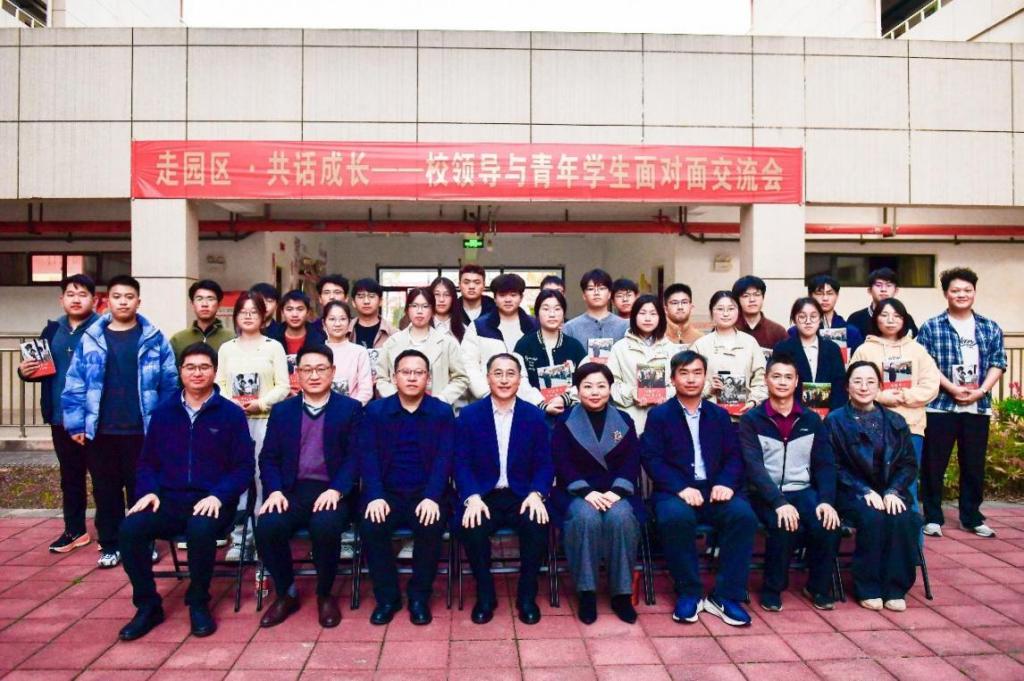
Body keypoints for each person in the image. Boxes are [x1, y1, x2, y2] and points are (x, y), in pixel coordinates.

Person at [117, 343, 254, 641]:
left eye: (204, 367)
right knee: (130, 529)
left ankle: (198, 601)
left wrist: (219, 495)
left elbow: (243, 467)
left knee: (200, 529)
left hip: (213, 500)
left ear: (215, 371)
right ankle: (148, 605)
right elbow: (148, 462)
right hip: (169, 499)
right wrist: (149, 491)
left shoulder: (231, 414)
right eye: (190, 367)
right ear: (180, 371)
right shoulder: (163, 413)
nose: (197, 373)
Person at [62, 274, 179, 568]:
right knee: (105, 491)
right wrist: (76, 423)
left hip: (143, 430)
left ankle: (143, 543)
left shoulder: (154, 338)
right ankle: (110, 544)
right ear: (107, 301)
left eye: (129, 297)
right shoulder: (92, 338)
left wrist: (164, 424)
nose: (123, 302)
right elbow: (75, 383)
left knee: (142, 489)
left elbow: (169, 383)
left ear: (139, 301)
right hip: (101, 430)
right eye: (117, 296)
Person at [640, 350, 757, 627]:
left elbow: (734, 455)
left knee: (743, 516)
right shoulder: (659, 416)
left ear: (705, 377)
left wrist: (725, 483)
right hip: (675, 491)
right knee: (674, 518)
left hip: (715, 488)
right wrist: (680, 487)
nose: (691, 379)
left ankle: (725, 596)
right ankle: (689, 592)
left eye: (697, 373)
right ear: (672, 379)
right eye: (684, 373)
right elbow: (651, 458)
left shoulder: (719, 415)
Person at [255, 345, 363, 629]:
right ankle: (286, 592)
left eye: (321, 369)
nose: (314, 375)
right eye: (307, 370)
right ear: (297, 374)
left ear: (333, 372)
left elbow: (355, 457)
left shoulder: (350, 409)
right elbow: (269, 457)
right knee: (268, 525)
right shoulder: (283, 411)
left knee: (325, 526)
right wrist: (274, 491)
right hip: (290, 491)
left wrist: (337, 490)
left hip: (332, 490)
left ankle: (325, 594)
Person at [456, 354, 553, 625]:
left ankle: (526, 595)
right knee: (472, 525)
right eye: (497, 373)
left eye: (511, 374)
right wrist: (471, 497)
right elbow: (461, 462)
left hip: (522, 493)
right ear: (488, 378)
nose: (504, 380)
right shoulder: (470, 415)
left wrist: (537, 493)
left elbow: (545, 463)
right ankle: (485, 594)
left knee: (537, 522)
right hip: (483, 494)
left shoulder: (534, 416)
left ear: (520, 379)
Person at [359, 350, 454, 626]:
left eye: (418, 373)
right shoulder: (375, 412)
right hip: (386, 493)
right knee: (372, 525)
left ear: (428, 378)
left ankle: (419, 597)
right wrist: (375, 495)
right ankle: (387, 598)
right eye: (405, 372)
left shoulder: (441, 412)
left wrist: (432, 496)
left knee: (431, 525)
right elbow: (368, 456)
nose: (412, 378)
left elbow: (445, 458)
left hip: (426, 493)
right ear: (394, 377)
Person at [739, 354, 840, 612]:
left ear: (796, 382)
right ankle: (773, 588)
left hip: (802, 489)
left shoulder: (811, 419)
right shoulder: (752, 420)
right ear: (766, 380)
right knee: (783, 523)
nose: (782, 382)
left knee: (827, 523)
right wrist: (779, 502)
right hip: (765, 493)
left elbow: (825, 464)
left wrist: (826, 501)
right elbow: (754, 467)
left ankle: (818, 587)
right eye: (776, 376)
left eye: (788, 377)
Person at [917, 267, 1006, 538]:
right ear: (946, 293)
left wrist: (982, 390)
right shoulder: (932, 326)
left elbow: (998, 362)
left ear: (975, 292)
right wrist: (952, 387)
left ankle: (972, 517)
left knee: (974, 464)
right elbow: (927, 364)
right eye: (955, 290)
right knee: (934, 464)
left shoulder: (990, 327)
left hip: (977, 407)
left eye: (967, 290)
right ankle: (933, 517)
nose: (962, 294)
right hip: (941, 406)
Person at [825, 361, 920, 612]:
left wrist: (893, 491)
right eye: (857, 381)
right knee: (872, 517)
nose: (864, 387)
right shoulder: (835, 421)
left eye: (870, 382)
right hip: (851, 491)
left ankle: (895, 588)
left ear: (879, 386)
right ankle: (868, 587)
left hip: (890, 491)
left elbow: (908, 464)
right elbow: (832, 465)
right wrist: (863, 490)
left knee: (903, 517)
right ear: (847, 386)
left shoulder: (895, 421)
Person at [552, 362, 641, 625]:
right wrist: (586, 491)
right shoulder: (565, 421)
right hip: (577, 491)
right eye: (587, 386)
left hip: (615, 491)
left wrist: (616, 491)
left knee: (621, 518)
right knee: (585, 518)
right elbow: (562, 462)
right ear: (577, 390)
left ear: (610, 388)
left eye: (601, 386)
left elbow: (632, 460)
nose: (594, 392)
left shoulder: (624, 420)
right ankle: (587, 592)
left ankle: (621, 594)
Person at [18, 274, 99, 553]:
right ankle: (75, 530)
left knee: (104, 477)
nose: (76, 299)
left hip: (95, 419)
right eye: (70, 294)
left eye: (83, 294)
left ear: (94, 300)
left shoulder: (103, 329)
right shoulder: (51, 330)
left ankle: (109, 532)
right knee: (70, 477)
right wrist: (24, 371)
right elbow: (41, 370)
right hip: (60, 418)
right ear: (61, 299)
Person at [215, 291, 291, 561]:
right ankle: (239, 539)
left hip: (266, 422)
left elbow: (284, 386)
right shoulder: (227, 349)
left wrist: (261, 403)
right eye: (243, 312)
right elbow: (219, 384)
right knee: (238, 479)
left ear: (264, 316)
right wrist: (231, 405)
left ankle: (263, 538)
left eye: (254, 312)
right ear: (236, 316)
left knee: (263, 478)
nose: (248, 317)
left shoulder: (274, 347)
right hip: (234, 424)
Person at [850, 298, 940, 511]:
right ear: (876, 319)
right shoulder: (864, 350)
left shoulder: (917, 350)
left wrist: (904, 396)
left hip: (911, 426)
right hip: (872, 426)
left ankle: (911, 532)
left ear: (904, 319)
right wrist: (882, 397)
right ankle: (879, 531)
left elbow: (931, 384)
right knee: (875, 483)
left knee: (907, 484)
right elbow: (853, 384)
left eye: (896, 316)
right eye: (884, 315)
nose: (890, 320)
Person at [375, 287, 470, 405]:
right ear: (407, 310)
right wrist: (395, 400)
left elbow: (461, 378)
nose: (419, 311)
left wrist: (441, 399)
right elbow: (382, 378)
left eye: (425, 306)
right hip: (398, 408)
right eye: (414, 306)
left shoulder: (447, 343)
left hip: (435, 409)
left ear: (433, 311)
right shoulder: (392, 342)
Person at [461, 273, 540, 400]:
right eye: (502, 295)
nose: (508, 300)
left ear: (521, 297)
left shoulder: (535, 326)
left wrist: (535, 398)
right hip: (488, 398)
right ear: (495, 298)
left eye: (513, 295)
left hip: (529, 400)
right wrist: (485, 393)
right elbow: (468, 364)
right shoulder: (478, 326)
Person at [607, 294, 679, 433]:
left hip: (665, 417)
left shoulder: (671, 349)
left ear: (660, 317)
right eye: (642, 313)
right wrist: (632, 393)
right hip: (630, 417)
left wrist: (664, 394)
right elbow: (611, 383)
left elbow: (679, 383)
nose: (647, 318)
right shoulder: (620, 348)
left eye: (653, 313)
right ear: (634, 316)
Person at [692, 291, 767, 417]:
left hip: (744, 417)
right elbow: (690, 380)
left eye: (731, 309)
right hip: (709, 416)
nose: (726, 314)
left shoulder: (750, 342)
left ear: (738, 311)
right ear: (711, 312)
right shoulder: (701, 345)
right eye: (720, 309)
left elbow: (762, 379)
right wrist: (708, 388)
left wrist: (754, 401)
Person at [514, 289, 587, 418]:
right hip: (534, 415)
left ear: (563, 313)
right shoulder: (524, 345)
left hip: (571, 416)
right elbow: (520, 382)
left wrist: (565, 399)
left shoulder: (575, 346)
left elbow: (587, 379)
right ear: (537, 313)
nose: (552, 314)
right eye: (546, 309)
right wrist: (542, 404)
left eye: (557, 309)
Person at [773, 297, 848, 413]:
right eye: (802, 317)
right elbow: (778, 385)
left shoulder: (832, 349)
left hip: (829, 416)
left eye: (813, 316)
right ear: (794, 319)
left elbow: (840, 388)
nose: (808, 321)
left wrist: (832, 416)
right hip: (792, 414)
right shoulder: (782, 349)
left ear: (820, 319)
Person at [267, 290, 327, 395]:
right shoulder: (271, 338)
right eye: (289, 309)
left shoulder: (320, 337)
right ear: (282, 312)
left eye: (300, 309)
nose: (294, 314)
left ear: (308, 312)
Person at [563, 269, 629, 360]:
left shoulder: (625, 326)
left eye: (602, 288)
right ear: (584, 295)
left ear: (609, 294)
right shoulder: (570, 328)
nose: (596, 293)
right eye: (591, 289)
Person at [790, 274, 864, 355]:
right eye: (819, 293)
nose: (825, 298)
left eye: (830, 293)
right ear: (810, 295)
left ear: (837, 295)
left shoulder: (851, 332)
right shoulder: (796, 331)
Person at [321, 301, 373, 405]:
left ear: (349, 322)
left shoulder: (359, 352)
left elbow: (366, 391)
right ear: (324, 323)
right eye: (332, 319)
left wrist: (350, 409)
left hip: (353, 410)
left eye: (343, 319)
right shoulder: (316, 352)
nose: (337, 324)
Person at [169, 279, 234, 362]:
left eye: (210, 299)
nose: (204, 304)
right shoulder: (178, 340)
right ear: (192, 304)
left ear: (219, 304)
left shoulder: (232, 339)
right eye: (199, 299)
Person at [846, 268, 918, 339]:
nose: (883, 289)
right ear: (869, 290)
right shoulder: (856, 318)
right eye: (878, 285)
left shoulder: (906, 318)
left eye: (888, 285)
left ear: (896, 290)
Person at [349, 277, 395, 385]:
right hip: (352, 392)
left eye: (371, 296)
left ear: (381, 301)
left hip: (384, 391)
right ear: (353, 302)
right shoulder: (344, 332)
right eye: (361, 296)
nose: (366, 301)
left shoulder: (393, 334)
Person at [733, 275, 789, 351]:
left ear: (763, 297)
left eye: (757, 295)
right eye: (746, 296)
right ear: (737, 300)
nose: (752, 299)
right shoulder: (730, 328)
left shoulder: (778, 331)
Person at [663, 283, 704, 347]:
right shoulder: (657, 338)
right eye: (674, 303)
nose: (680, 307)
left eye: (684, 302)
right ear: (665, 309)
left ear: (691, 307)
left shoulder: (701, 339)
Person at [430, 276, 466, 342]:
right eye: (437, 294)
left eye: (447, 295)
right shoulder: (420, 326)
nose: (441, 299)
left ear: (453, 298)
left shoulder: (465, 330)